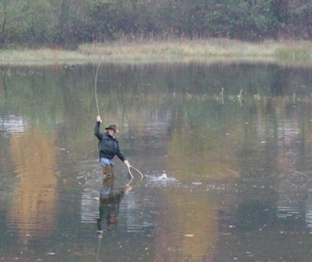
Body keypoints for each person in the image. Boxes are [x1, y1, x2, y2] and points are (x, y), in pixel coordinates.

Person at [94, 115, 130, 180]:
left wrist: (125, 160)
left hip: (111, 160)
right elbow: (96, 132)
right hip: (104, 159)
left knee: (112, 177)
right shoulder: (102, 137)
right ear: (109, 130)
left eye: (114, 131)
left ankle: (110, 190)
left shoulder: (115, 141)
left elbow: (118, 152)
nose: (113, 133)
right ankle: (106, 189)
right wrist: (98, 122)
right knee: (108, 176)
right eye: (113, 131)